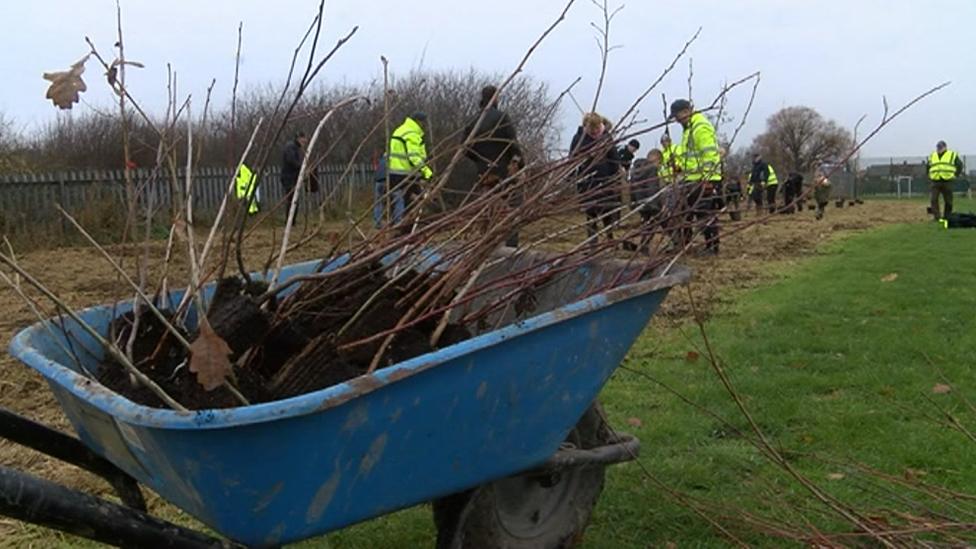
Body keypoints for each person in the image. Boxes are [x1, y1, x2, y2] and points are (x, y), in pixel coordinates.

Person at [464, 85, 523, 246]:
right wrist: (518, 163)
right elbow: (512, 143)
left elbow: (465, 148)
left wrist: (479, 160)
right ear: (496, 98)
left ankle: (486, 243)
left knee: (486, 210)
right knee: (511, 209)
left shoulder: (474, 121)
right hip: (504, 171)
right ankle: (510, 246)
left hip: (483, 172)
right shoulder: (502, 118)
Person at [671, 98, 722, 255]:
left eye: (677, 116)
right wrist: (681, 168)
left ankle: (712, 247)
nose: (677, 120)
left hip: (703, 180)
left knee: (704, 215)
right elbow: (692, 157)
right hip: (692, 179)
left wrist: (707, 179)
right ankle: (685, 244)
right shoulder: (688, 129)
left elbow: (710, 155)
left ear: (686, 112)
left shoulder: (700, 127)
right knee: (687, 213)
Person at [570, 112, 622, 244]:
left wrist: (616, 177)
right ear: (586, 127)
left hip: (606, 180)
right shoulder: (579, 138)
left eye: (597, 129)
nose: (594, 132)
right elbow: (572, 159)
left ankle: (609, 240)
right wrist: (587, 155)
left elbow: (614, 159)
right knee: (591, 213)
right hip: (587, 181)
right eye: (591, 130)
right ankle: (592, 242)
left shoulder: (606, 137)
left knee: (607, 211)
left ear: (600, 125)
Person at [388, 112, 434, 222]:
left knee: (398, 201)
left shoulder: (400, 130)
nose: (425, 126)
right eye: (424, 123)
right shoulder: (412, 133)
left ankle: (397, 225)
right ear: (419, 122)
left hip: (395, 173)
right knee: (413, 201)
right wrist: (427, 172)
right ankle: (405, 226)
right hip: (407, 174)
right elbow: (414, 158)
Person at [927, 140, 965, 221]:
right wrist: (929, 175)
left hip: (947, 181)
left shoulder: (952, 154)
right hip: (935, 180)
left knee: (948, 201)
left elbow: (960, 165)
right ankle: (937, 217)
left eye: (941, 147)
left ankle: (947, 217)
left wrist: (956, 175)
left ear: (945, 147)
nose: (939, 149)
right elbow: (928, 166)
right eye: (938, 147)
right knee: (933, 199)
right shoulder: (932, 155)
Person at [372, 154, 404, 228]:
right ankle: (398, 221)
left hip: (378, 183)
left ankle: (377, 222)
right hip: (389, 181)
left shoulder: (381, 161)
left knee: (378, 202)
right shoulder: (393, 161)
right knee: (399, 199)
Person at [280, 132, 308, 198]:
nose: (304, 143)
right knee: (291, 198)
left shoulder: (296, 148)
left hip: (293, 177)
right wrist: (301, 168)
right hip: (289, 177)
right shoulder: (291, 147)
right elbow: (292, 161)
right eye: (303, 141)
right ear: (299, 139)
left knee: (294, 199)